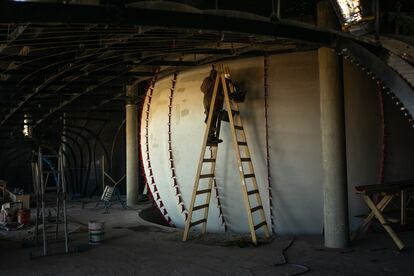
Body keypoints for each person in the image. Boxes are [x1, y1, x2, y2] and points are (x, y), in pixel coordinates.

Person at [200, 69, 223, 145]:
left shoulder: (215, 80)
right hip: (210, 100)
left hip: (209, 100)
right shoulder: (212, 80)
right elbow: (202, 89)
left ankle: (211, 136)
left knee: (212, 117)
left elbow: (202, 89)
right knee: (212, 116)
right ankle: (210, 137)